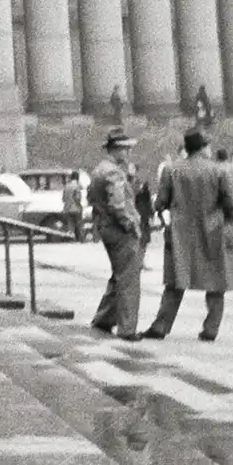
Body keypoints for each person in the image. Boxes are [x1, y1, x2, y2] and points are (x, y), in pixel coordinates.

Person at [143, 128, 233, 342]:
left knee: (175, 283)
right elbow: (231, 204)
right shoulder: (220, 171)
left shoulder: (171, 170)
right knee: (216, 283)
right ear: (204, 147)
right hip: (214, 231)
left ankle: (161, 326)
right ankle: (210, 329)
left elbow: (160, 203)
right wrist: (228, 223)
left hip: (181, 234)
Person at [88, 128, 150, 340]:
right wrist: (130, 224)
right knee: (129, 279)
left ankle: (104, 319)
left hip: (105, 226)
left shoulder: (99, 169)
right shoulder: (113, 173)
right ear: (115, 150)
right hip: (119, 230)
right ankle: (127, 328)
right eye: (126, 149)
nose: (129, 153)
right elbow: (118, 205)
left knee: (119, 276)